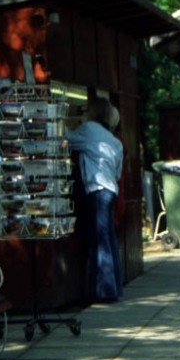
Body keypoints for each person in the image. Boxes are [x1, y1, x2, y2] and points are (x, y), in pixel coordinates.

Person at [68, 98, 124, 303]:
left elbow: (67, 139)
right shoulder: (114, 140)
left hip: (96, 189)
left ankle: (104, 291)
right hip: (110, 190)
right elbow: (117, 172)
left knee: (99, 240)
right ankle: (114, 286)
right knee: (109, 238)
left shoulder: (89, 129)